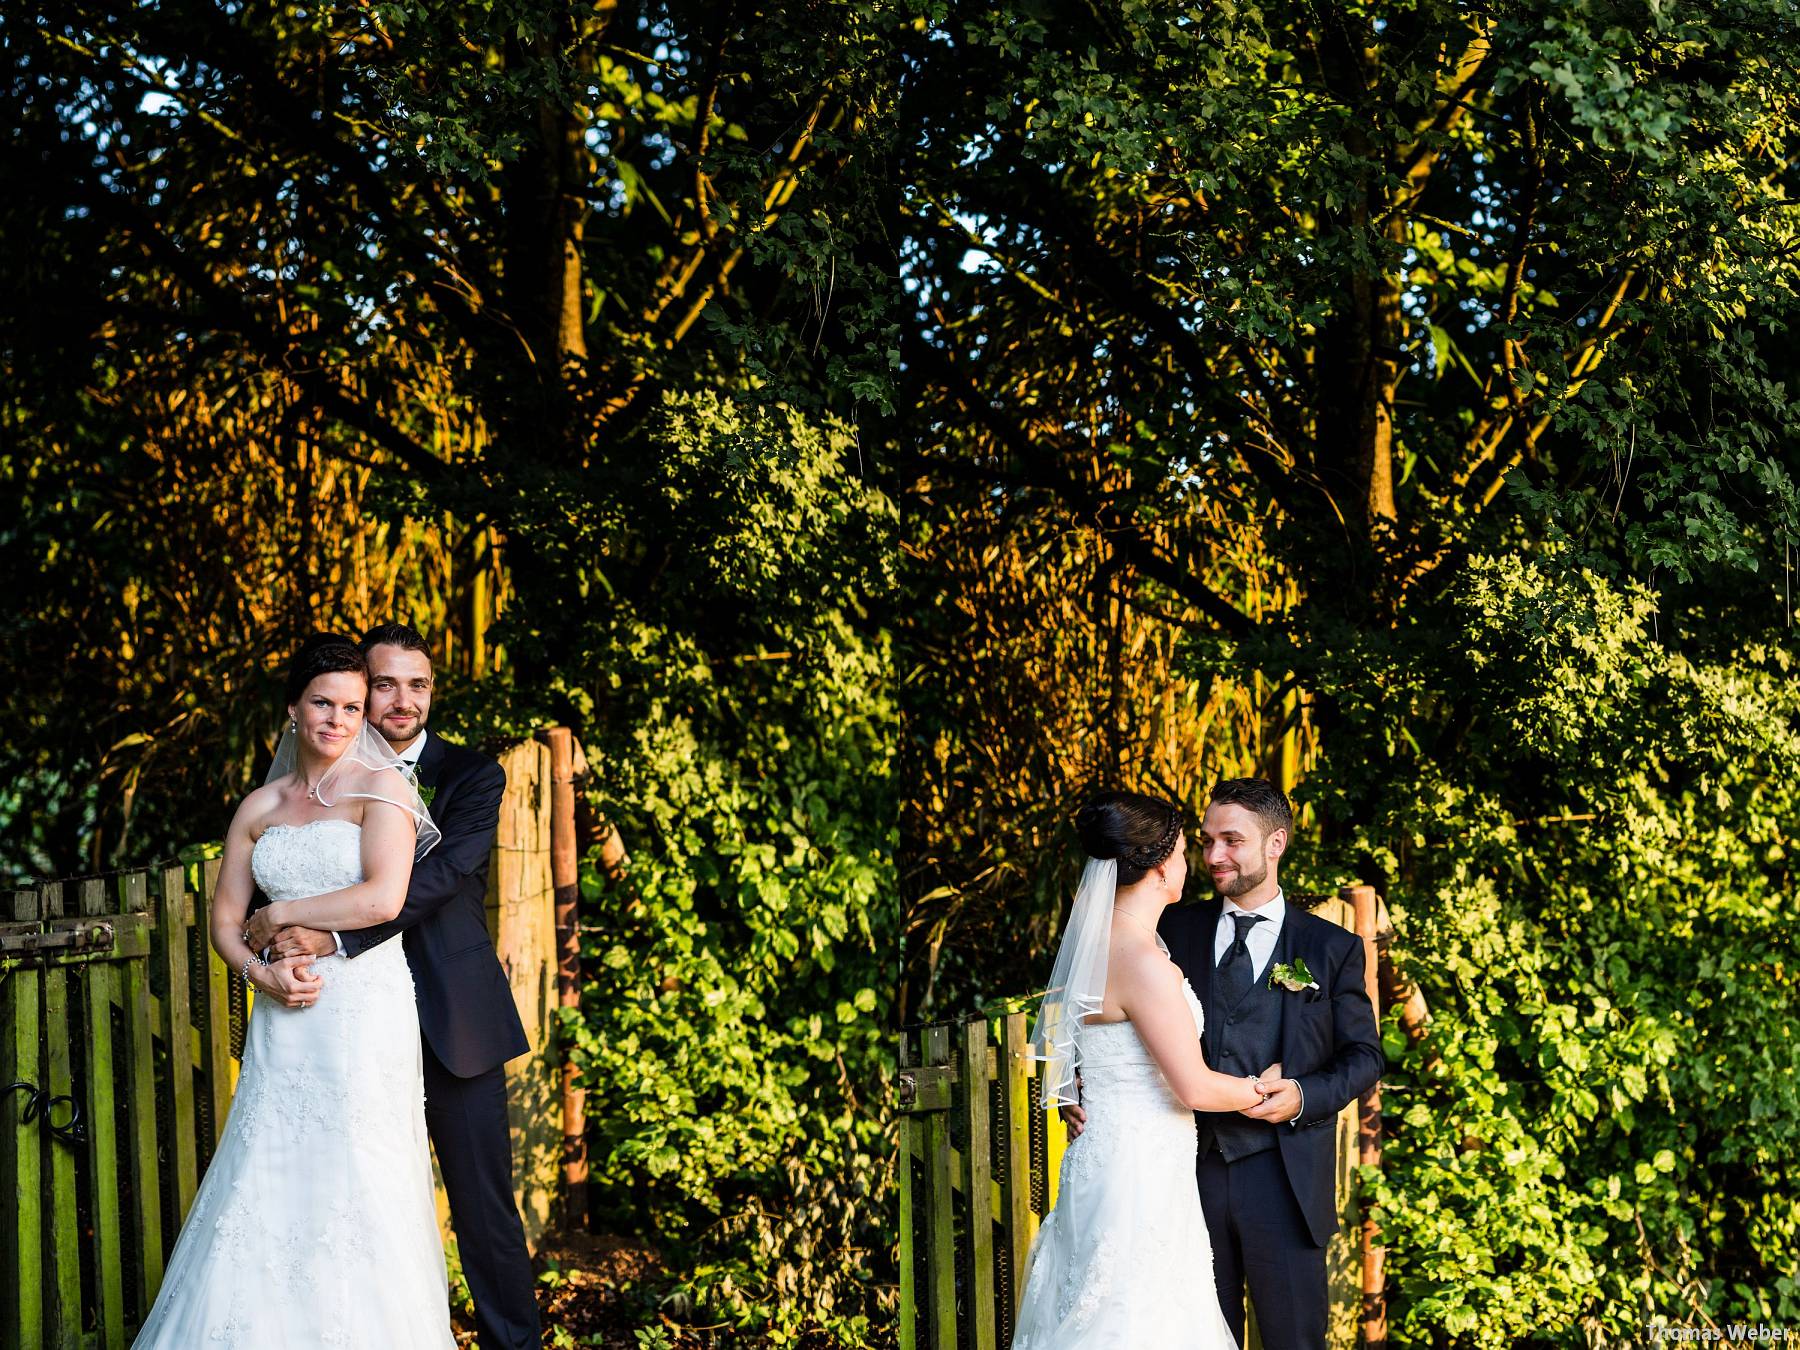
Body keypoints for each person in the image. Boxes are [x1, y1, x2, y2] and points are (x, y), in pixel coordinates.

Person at [135, 634, 452, 1347]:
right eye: (322, 703)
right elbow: (222, 921)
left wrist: (280, 915)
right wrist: (259, 973)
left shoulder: (384, 792)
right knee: (266, 1167)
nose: (337, 719)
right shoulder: (259, 807)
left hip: (364, 1010)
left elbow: (382, 898)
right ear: (292, 710)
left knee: (360, 1170)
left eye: (350, 705)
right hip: (283, 1014)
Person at [249, 622, 540, 1350]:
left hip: (452, 1021)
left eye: (419, 685)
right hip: (341, 1028)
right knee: (350, 1199)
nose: (402, 700)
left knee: (484, 1211)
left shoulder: (472, 774)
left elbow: (436, 878)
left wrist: (334, 934)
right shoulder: (309, 781)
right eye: (385, 684)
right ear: (356, 688)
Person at [1064, 779, 1385, 1350]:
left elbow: (1364, 1057)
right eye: (1206, 840)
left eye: (1231, 841)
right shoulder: (1163, 930)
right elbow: (1100, 1015)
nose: (1214, 856)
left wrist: (1304, 1095)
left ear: (1275, 843)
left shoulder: (1330, 948)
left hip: (1285, 1181)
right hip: (1182, 1178)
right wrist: (1079, 1087)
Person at [1012, 790, 1268, 1349]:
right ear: (1158, 866)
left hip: (1100, 1165)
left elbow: (1073, 1052)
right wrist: (1263, 1089)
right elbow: (1194, 1085)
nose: (1190, 863)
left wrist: (1068, 1091)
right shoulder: (1142, 961)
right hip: (1140, 1178)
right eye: (1183, 851)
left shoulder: (1097, 945)